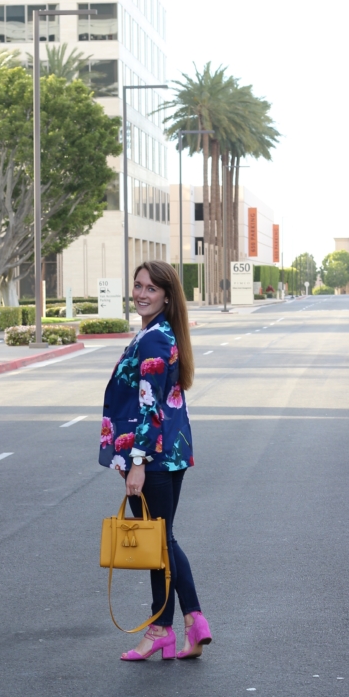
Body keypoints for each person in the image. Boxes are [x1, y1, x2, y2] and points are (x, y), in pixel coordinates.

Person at [99, 260, 213, 661]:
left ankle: (164, 627)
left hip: (153, 458)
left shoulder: (152, 340)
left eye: (150, 288)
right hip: (167, 454)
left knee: (157, 543)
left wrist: (138, 462)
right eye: (138, 286)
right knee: (161, 540)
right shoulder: (159, 333)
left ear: (166, 294)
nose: (141, 293)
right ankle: (189, 624)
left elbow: (149, 408)